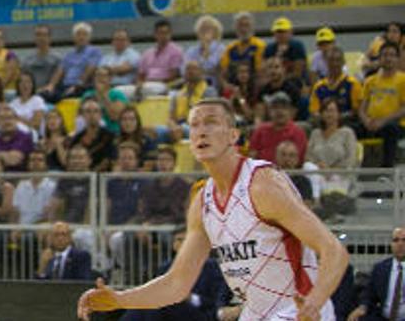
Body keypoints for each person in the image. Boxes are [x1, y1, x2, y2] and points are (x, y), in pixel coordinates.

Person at [78, 98, 348, 321]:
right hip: (255, 314)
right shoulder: (202, 200)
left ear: (233, 135)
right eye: (194, 125)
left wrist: (315, 302)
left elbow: (334, 251)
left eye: (211, 122)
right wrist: (121, 298)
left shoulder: (262, 184)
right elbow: (177, 283)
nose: (201, 131)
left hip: (299, 312)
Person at [120, 225, 230, 321]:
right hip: (169, 309)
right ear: (173, 245)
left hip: (199, 313)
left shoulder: (214, 268)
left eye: (186, 240)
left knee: (160, 303)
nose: (182, 244)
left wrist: (190, 298)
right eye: (178, 240)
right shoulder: (166, 266)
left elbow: (217, 303)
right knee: (142, 303)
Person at [360, 43, 405, 168]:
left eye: (392, 55)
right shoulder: (370, 80)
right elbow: (362, 107)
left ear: (397, 58)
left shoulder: (403, 80)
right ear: (380, 58)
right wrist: (366, 121)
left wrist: (383, 121)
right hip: (372, 124)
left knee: (390, 129)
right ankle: (350, 172)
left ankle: (387, 170)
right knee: (349, 129)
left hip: (396, 125)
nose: (388, 58)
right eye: (385, 55)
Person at [349, 227, 405, 321]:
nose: (400, 244)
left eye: (404, 240)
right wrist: (362, 307)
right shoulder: (380, 268)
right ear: (391, 244)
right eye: (396, 240)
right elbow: (369, 294)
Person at [249, 92, 309, 164]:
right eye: (275, 108)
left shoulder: (298, 133)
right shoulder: (260, 130)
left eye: (284, 108)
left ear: (290, 111)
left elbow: (298, 161)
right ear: (269, 111)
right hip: (262, 172)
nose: (279, 111)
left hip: (289, 173)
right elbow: (252, 156)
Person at [135, 20, 185, 98]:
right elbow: (141, 75)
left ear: (170, 34)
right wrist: (140, 84)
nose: (164, 36)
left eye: (166, 33)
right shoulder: (147, 53)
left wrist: (152, 82)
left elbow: (173, 76)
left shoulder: (176, 51)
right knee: (121, 91)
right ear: (155, 35)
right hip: (146, 86)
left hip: (165, 86)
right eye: (161, 33)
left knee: (149, 89)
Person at [220, 12, 267, 77]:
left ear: (252, 27)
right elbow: (223, 72)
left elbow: (260, 72)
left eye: (246, 25)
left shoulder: (259, 45)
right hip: (233, 83)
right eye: (240, 25)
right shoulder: (230, 48)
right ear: (236, 28)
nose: (243, 29)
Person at [265, 17, 308, 81]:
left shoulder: (297, 46)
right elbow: (267, 70)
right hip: (275, 82)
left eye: (284, 31)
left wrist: (280, 79)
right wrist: (279, 54)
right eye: (278, 32)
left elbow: (297, 73)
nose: (281, 35)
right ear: (274, 33)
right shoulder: (269, 48)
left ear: (290, 32)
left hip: (295, 82)